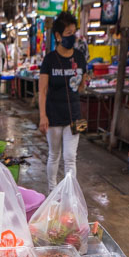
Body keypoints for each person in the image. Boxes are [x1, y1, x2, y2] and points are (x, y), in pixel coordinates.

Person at [39, 12, 88, 193]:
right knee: (54, 155)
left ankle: (70, 195)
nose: (72, 36)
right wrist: (43, 115)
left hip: (75, 116)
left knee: (70, 157)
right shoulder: (49, 60)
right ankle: (52, 192)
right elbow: (42, 90)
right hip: (53, 115)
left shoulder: (80, 57)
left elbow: (81, 88)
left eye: (73, 32)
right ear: (58, 36)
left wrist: (85, 81)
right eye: (68, 33)